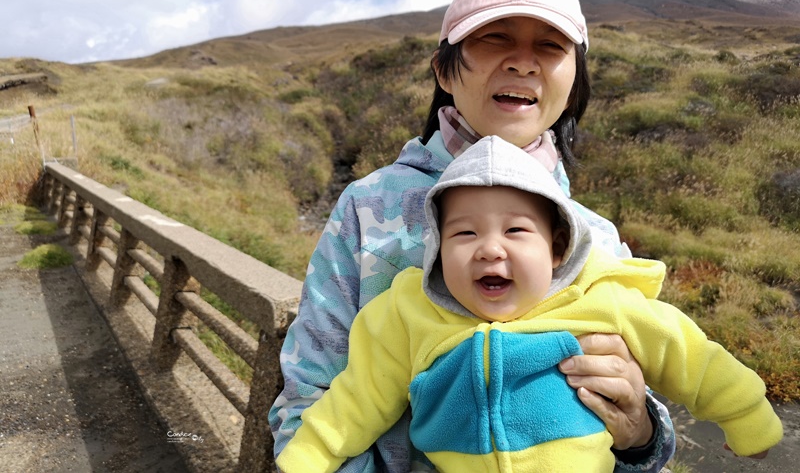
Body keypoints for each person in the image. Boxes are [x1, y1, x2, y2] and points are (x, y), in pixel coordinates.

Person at [270, 0, 678, 471]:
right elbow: (307, 402)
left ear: (574, 82)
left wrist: (640, 432)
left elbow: (640, 433)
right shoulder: (367, 207)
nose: (523, 63)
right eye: (494, 38)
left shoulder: (596, 237)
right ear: (444, 70)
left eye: (551, 47)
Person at [275, 136, 783, 473]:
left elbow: (690, 354)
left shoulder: (600, 300)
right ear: (434, 249)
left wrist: (746, 416)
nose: (490, 248)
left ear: (558, 248)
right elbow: (357, 397)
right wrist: (308, 457)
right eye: (465, 233)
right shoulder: (409, 315)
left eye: (516, 230)